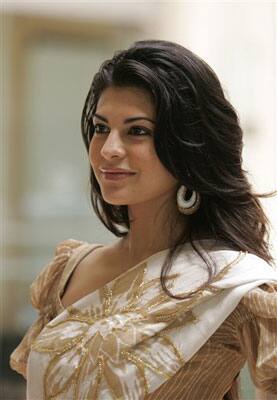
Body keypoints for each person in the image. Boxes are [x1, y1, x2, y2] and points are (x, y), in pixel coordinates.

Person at [10, 39, 277, 400]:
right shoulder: (68, 270)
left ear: (188, 145)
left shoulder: (235, 286)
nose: (108, 149)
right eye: (101, 127)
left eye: (137, 131)